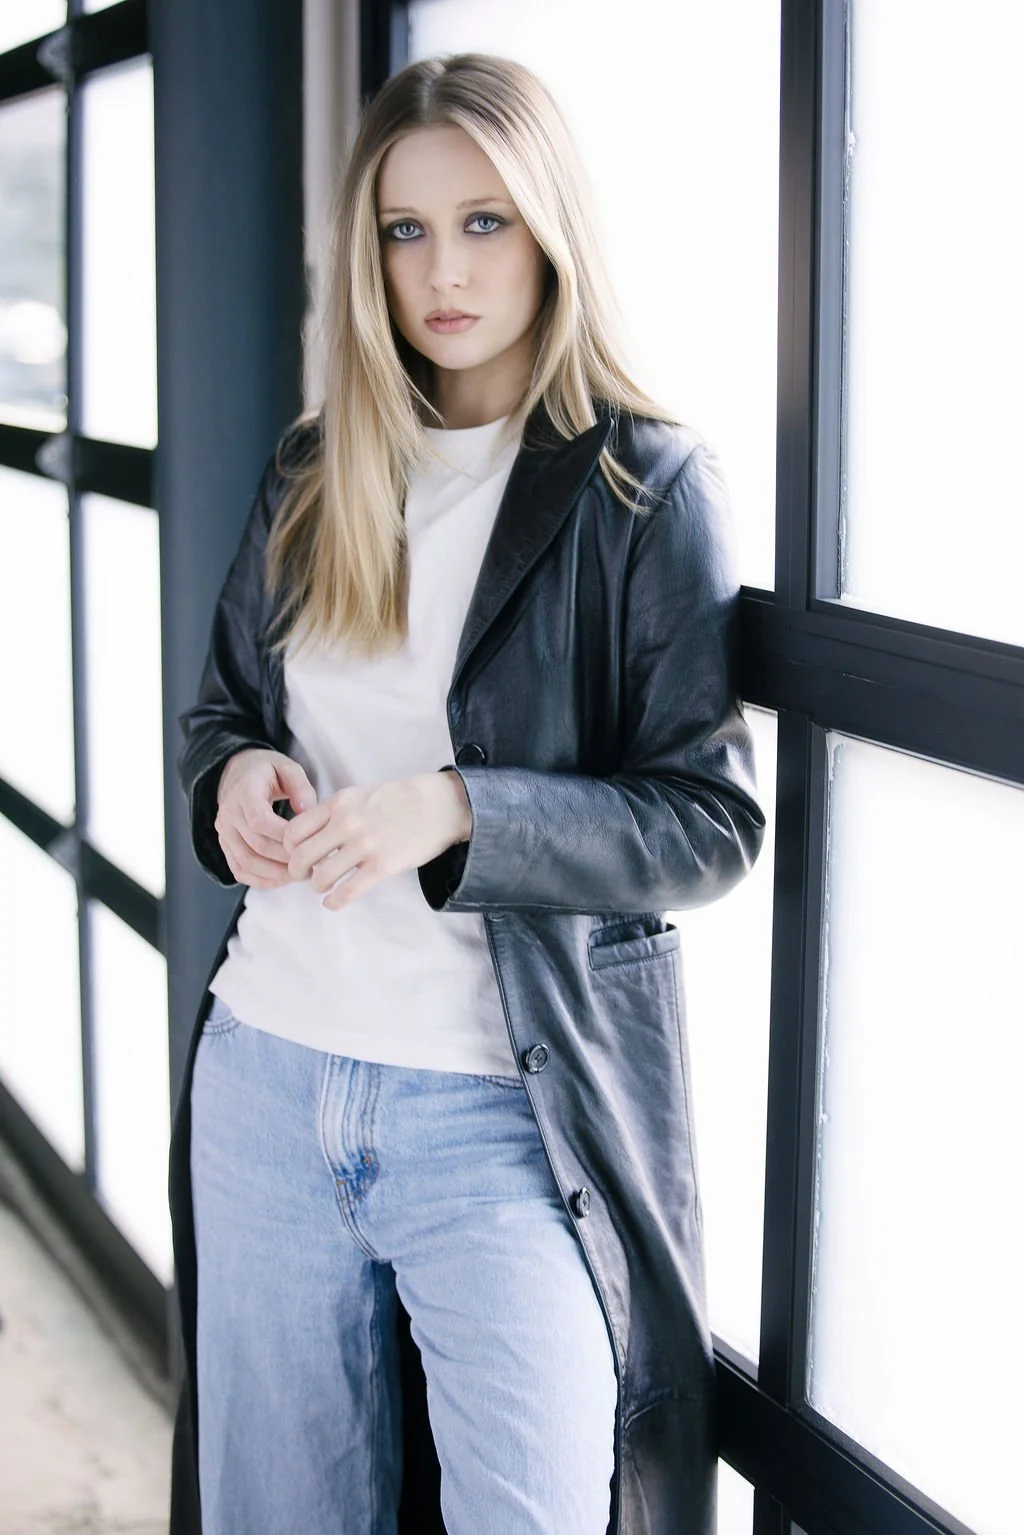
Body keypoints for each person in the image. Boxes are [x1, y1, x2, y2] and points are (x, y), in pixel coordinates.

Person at [168, 50, 765, 1535]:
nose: (443, 269)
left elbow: (708, 822)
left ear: (552, 226)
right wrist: (237, 775)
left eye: (484, 222)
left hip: (504, 1116)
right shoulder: (317, 471)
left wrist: (459, 809)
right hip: (267, 1072)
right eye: (405, 228)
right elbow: (222, 714)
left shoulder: (642, 484)